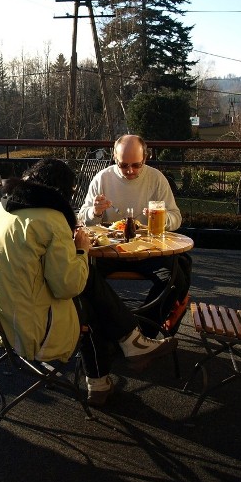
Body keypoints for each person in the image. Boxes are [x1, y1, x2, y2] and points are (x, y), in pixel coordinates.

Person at [0, 158, 177, 407]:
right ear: (59, 193)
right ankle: (126, 347)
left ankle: (112, 367)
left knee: (88, 285)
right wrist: (81, 250)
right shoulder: (50, 219)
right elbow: (68, 286)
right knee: (87, 300)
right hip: (27, 328)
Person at [78, 134, 192, 334]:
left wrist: (162, 219)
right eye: (123, 165)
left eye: (136, 165)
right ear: (114, 158)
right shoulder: (102, 178)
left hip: (146, 250)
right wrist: (94, 212)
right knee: (83, 275)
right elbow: (83, 219)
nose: (130, 170)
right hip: (109, 249)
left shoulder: (156, 178)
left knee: (176, 279)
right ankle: (102, 329)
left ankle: (142, 331)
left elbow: (177, 218)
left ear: (145, 159)